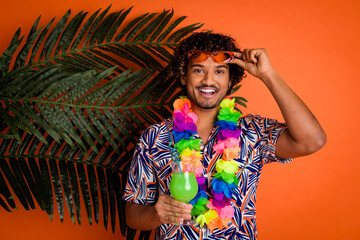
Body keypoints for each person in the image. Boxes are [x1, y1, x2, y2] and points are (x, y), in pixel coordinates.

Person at [123, 32, 326, 239]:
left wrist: (267, 73)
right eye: (198, 70)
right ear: (184, 76)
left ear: (230, 80)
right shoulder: (155, 137)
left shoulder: (253, 132)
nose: (208, 80)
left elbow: (312, 140)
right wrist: (157, 214)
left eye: (219, 71)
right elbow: (133, 214)